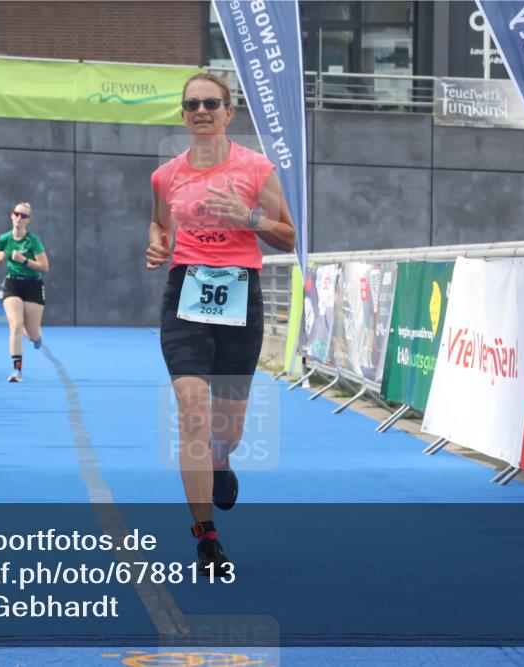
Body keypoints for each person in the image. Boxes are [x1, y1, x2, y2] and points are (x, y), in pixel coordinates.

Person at [146, 72, 296, 575]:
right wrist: (158, 242)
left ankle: (221, 458)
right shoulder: (165, 175)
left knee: (226, 429)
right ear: (183, 114)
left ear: (229, 113)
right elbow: (161, 222)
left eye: (212, 103)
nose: (202, 111)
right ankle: (206, 536)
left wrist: (249, 218)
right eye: (192, 104)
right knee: (191, 409)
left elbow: (289, 237)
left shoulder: (255, 168)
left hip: (240, 294)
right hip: (185, 293)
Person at [0, 201, 48, 382]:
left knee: (33, 334)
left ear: (28, 220)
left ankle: (35, 336)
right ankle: (17, 370)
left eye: (24, 216)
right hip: (12, 284)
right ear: (11, 215)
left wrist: (24, 260)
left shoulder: (33, 240)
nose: (19, 218)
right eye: (17, 214)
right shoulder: (4, 238)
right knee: (15, 326)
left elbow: (44, 266)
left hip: (33, 285)